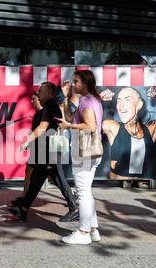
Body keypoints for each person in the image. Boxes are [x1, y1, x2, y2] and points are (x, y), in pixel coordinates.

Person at [8, 82, 78, 221]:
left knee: (58, 179)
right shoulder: (53, 106)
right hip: (47, 150)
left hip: (49, 150)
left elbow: (43, 127)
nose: (38, 93)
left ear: (48, 92)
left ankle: (74, 207)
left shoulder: (49, 106)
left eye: (40, 91)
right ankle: (23, 209)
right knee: (36, 180)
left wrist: (27, 140)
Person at [56, 70, 104, 245]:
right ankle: (93, 229)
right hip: (92, 151)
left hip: (85, 151)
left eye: (76, 81)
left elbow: (89, 126)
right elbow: (70, 116)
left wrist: (69, 126)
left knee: (82, 193)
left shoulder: (86, 101)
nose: (73, 84)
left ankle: (83, 232)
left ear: (85, 83)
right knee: (86, 191)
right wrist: (67, 97)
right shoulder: (92, 100)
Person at [102, 87, 156, 179]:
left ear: (139, 105)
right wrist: (97, 99)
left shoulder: (150, 129)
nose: (121, 105)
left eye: (127, 100)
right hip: (118, 186)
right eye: (118, 101)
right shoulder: (113, 127)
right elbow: (89, 122)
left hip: (140, 184)